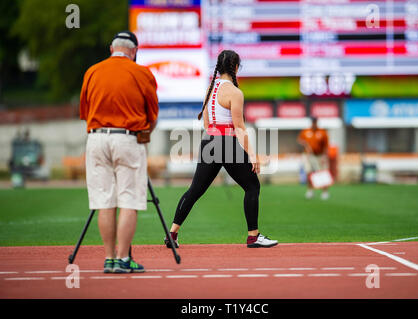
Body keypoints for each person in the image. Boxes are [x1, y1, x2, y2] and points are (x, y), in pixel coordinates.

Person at [164, 50, 277, 248]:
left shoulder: (210, 89)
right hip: (228, 143)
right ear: (235, 67)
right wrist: (252, 155)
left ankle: (172, 234)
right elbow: (240, 128)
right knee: (252, 186)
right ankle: (253, 236)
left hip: (210, 142)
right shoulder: (235, 92)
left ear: (218, 66)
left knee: (194, 191)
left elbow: (207, 124)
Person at [79, 31, 159, 273]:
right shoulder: (142, 72)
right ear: (134, 51)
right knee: (129, 199)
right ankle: (124, 259)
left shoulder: (92, 71)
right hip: (127, 139)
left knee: (104, 201)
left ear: (111, 48)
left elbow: (84, 111)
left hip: (95, 139)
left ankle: (109, 258)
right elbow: (152, 116)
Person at [297, 117, 330, 200]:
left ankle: (325, 192)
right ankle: (310, 191)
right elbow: (300, 140)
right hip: (308, 156)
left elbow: (326, 146)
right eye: (313, 122)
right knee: (309, 173)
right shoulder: (306, 131)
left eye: (315, 122)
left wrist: (324, 156)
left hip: (319, 155)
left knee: (322, 173)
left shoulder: (322, 132)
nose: (314, 124)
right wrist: (305, 145)